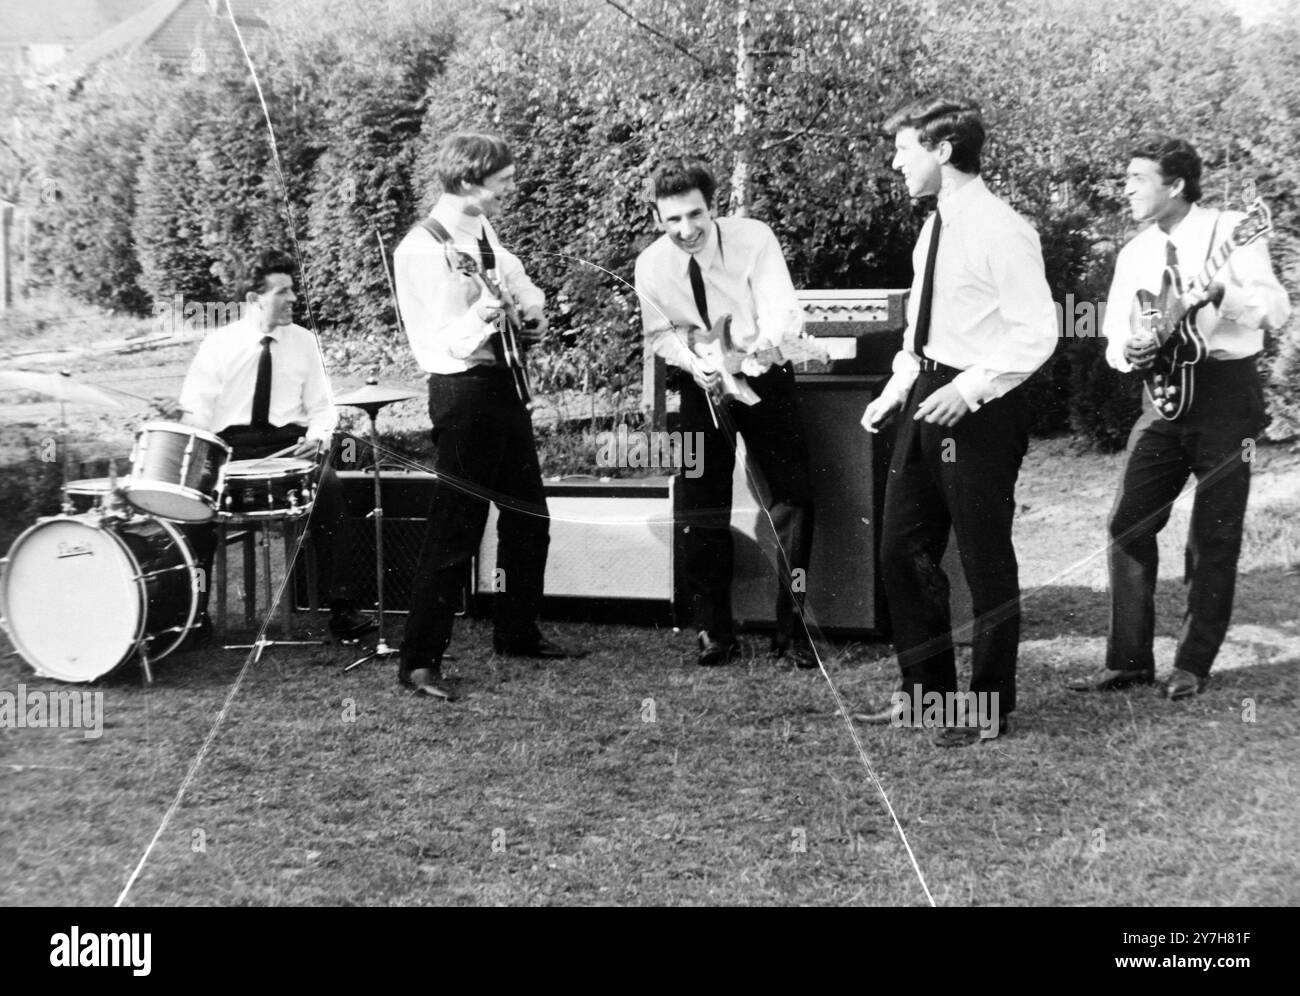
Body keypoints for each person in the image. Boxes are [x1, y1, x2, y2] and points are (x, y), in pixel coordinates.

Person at [855, 98, 1057, 745]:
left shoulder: (1003, 230)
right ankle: (927, 700)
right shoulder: (932, 229)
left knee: (983, 560)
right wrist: (898, 388)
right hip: (926, 396)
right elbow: (924, 331)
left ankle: (989, 710)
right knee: (900, 551)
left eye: (905, 148)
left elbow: (1038, 333)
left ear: (943, 152)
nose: (895, 161)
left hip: (982, 409)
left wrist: (969, 390)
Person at [1068, 136, 1290, 700]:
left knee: (1213, 535)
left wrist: (1224, 293)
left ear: (1177, 185)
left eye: (1138, 179)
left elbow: (1278, 311)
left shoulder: (1232, 229)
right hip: (1161, 398)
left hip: (1223, 394)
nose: (1127, 190)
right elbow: (1115, 333)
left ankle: (1193, 662)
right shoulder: (1135, 252)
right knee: (1128, 521)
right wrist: (1131, 351)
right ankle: (1128, 661)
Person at [394, 131, 580, 702]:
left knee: (530, 518)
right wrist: (483, 314)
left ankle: (517, 634)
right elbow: (438, 343)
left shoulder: (482, 230)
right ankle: (420, 662)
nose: (511, 188)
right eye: (502, 180)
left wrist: (532, 310)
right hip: (463, 393)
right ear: (469, 182)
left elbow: (517, 279)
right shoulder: (420, 250)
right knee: (457, 529)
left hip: (504, 388)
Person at [634, 160, 816, 669]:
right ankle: (714, 631)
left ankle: (792, 633)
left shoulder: (754, 238)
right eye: (672, 220)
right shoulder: (650, 265)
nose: (686, 230)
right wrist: (698, 363)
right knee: (698, 502)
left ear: (713, 208)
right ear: (657, 217)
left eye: (695, 215)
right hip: (700, 385)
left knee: (795, 497)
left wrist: (749, 357)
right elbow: (660, 334)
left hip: (766, 374)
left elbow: (782, 311)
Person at [176, 249, 374, 642]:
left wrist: (316, 440)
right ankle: (193, 617)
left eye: (292, 291)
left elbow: (322, 409)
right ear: (254, 299)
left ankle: (343, 609)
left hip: (289, 448)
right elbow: (195, 411)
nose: (293, 300)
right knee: (192, 511)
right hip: (231, 451)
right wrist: (203, 447)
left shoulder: (303, 341)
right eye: (282, 292)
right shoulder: (218, 345)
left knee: (331, 490)